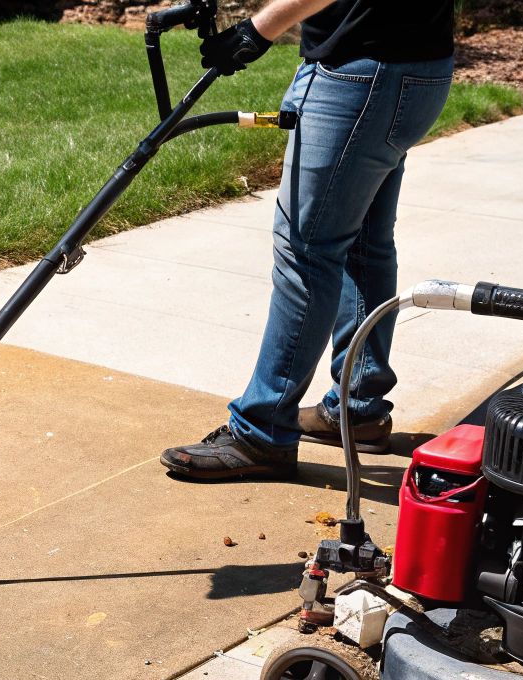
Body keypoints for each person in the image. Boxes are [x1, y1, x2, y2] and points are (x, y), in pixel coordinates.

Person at [160, 0, 455, 481]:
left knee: (307, 252)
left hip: (362, 73)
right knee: (362, 244)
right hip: (416, 66)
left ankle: (262, 432)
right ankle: (357, 411)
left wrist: (258, 29)